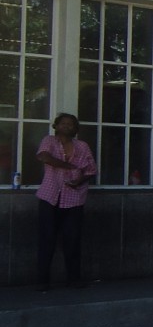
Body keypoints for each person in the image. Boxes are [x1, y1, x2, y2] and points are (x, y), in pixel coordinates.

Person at [35, 113, 97, 292]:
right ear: (56, 125)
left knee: (73, 240)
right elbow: (43, 157)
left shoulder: (82, 146)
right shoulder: (49, 141)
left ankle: (74, 279)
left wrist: (80, 180)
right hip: (50, 197)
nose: (67, 126)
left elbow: (91, 170)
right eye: (63, 123)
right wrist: (69, 166)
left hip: (74, 199)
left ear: (75, 128)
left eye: (71, 124)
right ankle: (42, 281)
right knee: (47, 240)